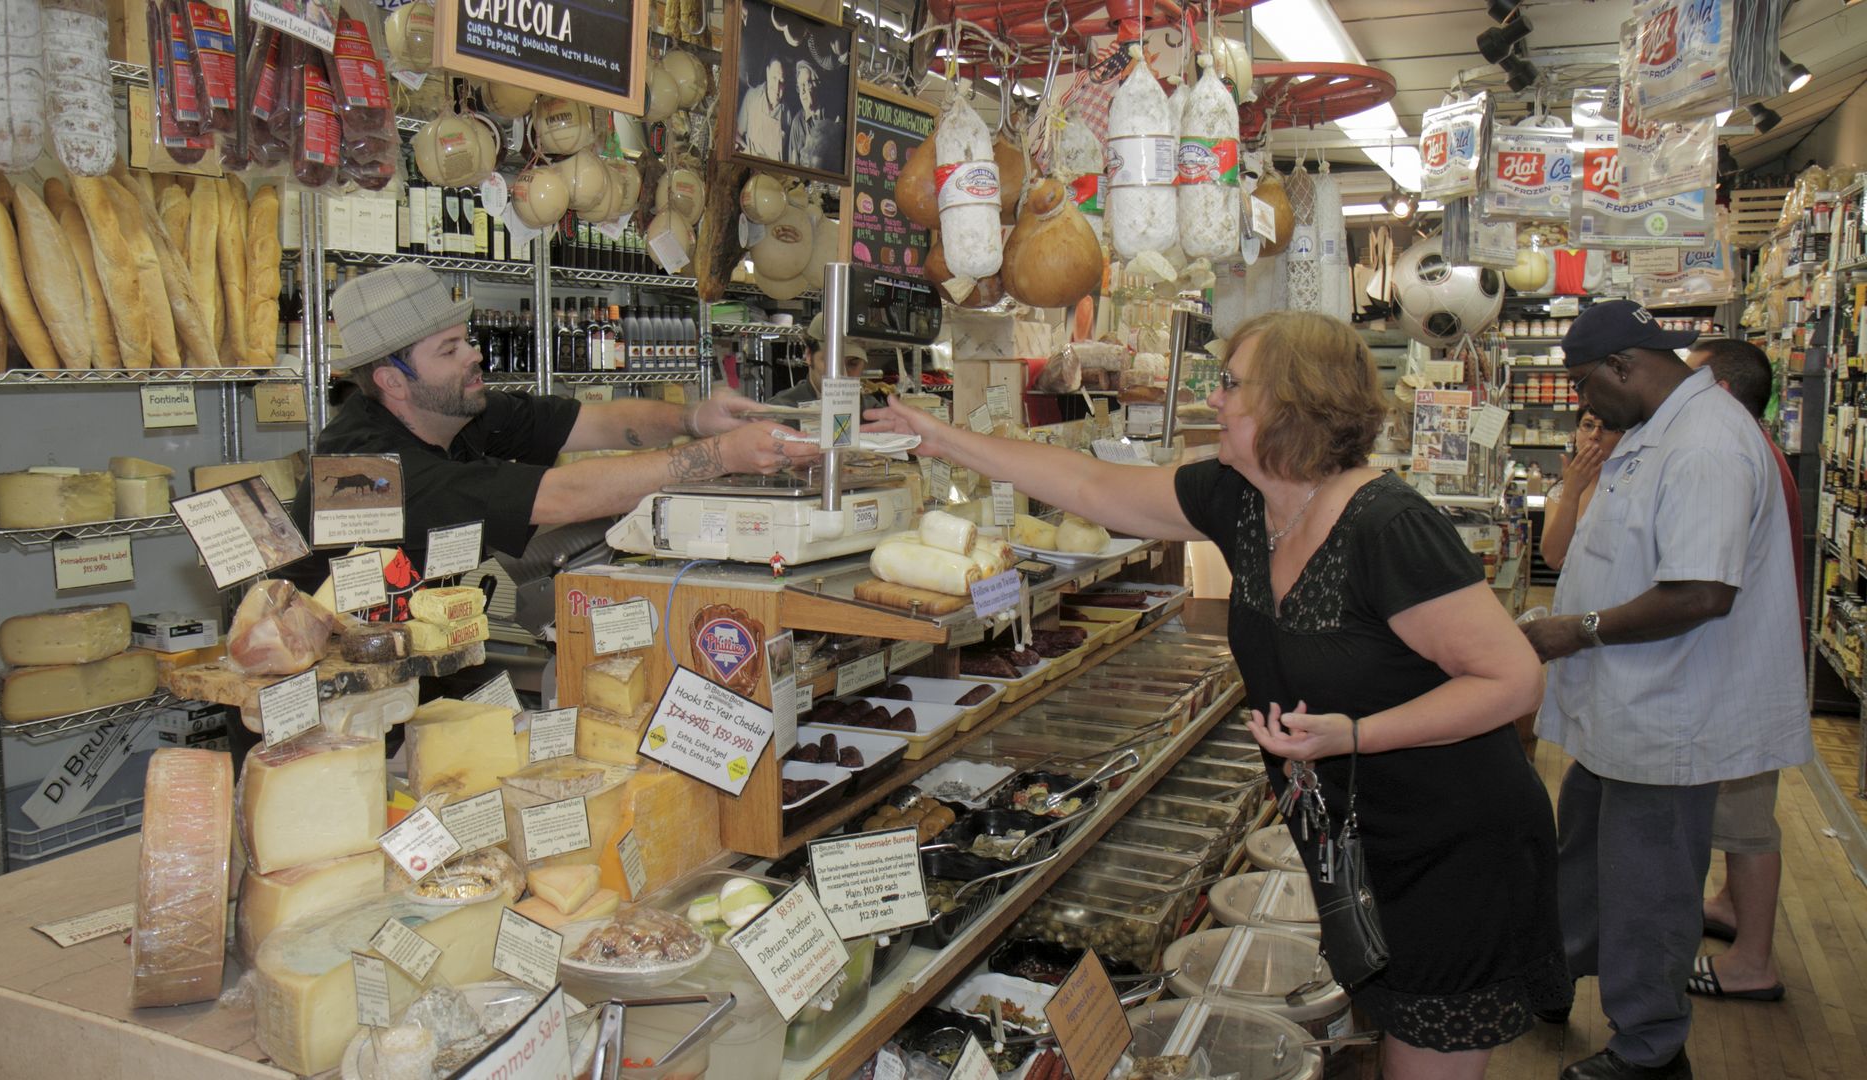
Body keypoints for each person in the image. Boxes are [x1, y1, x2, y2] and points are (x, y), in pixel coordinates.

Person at [865, 311, 1566, 1080]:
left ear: (1294, 403)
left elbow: (1512, 678)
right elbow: (1091, 485)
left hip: (1454, 850)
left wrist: (1353, 736)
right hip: (1357, 842)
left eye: (1233, 384)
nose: (1216, 399)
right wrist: (943, 437)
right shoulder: (1241, 499)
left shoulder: (1388, 527)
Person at [1523, 302, 1812, 1080]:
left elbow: (1699, 594)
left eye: (1586, 383)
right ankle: (1558, 976)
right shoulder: (1656, 429)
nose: (1584, 402)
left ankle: (1651, 1050)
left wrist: (1572, 629)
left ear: (1625, 365)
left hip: (1669, 714)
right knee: (1580, 854)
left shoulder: (1707, 444)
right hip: (1622, 709)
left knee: (1649, 888)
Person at [287, 264, 815, 599]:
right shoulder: (368, 465)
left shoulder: (458, 410)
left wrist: (693, 419)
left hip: (430, 639)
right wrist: (719, 455)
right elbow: (562, 496)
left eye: (464, 339)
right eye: (449, 350)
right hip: (339, 688)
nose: (474, 355)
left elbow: (592, 422)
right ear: (390, 382)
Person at [1682, 337, 1804, 1005]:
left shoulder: (1736, 454)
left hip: (1747, 667)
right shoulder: (1760, 449)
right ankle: (1731, 905)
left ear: (1723, 393)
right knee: (1741, 810)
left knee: (1750, 818)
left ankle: (1754, 961)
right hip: (1751, 660)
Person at [1540, 407, 1624, 570]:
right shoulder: (1560, 491)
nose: (1594, 435)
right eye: (1588, 425)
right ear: (1576, 433)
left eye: (1605, 427)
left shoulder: (1628, 486)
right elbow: (1552, 558)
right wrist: (1571, 491)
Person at [768, 314, 885, 410]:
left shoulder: (872, 412)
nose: (842, 375)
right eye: (832, 363)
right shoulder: (781, 411)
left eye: (852, 364)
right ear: (809, 356)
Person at [785, 61, 841, 170]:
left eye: (808, 83)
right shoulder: (797, 123)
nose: (804, 91)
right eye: (800, 86)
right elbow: (792, 167)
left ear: (817, 84)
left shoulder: (833, 116)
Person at [736, 57, 790, 160]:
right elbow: (736, 133)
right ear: (767, 72)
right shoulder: (752, 96)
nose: (776, 87)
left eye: (781, 82)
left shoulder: (787, 114)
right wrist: (747, 151)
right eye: (774, 78)